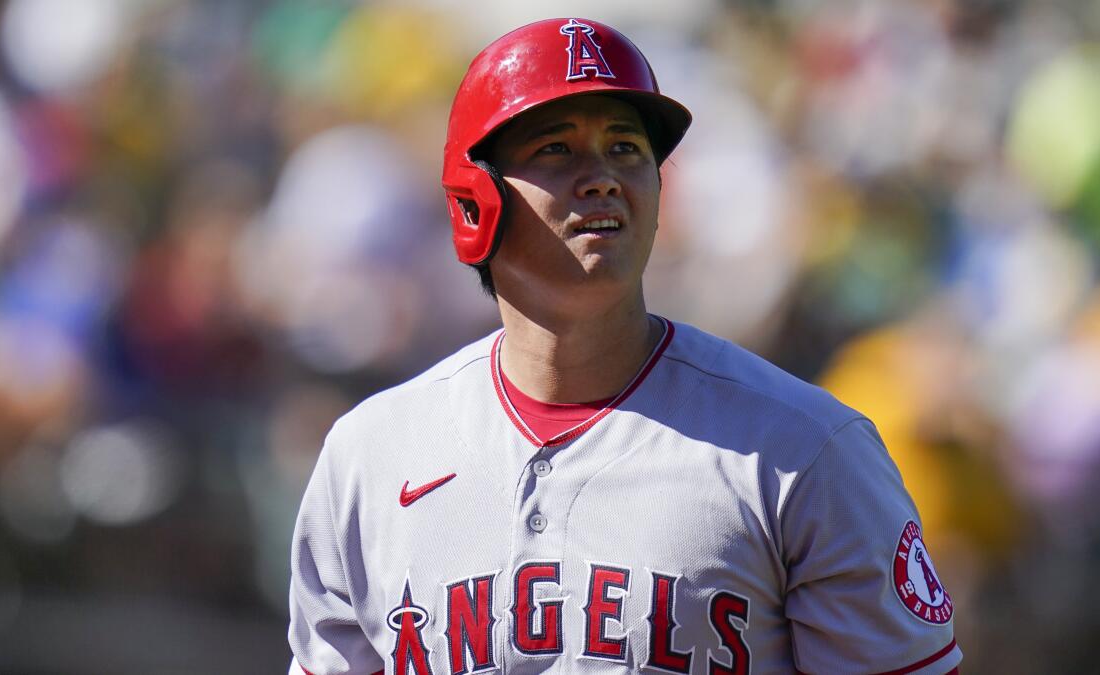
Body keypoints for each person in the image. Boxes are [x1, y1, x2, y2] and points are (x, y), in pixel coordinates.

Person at [288, 17, 962, 675]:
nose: (603, 176)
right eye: (556, 148)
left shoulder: (806, 450)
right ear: (474, 201)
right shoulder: (370, 459)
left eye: (626, 148)